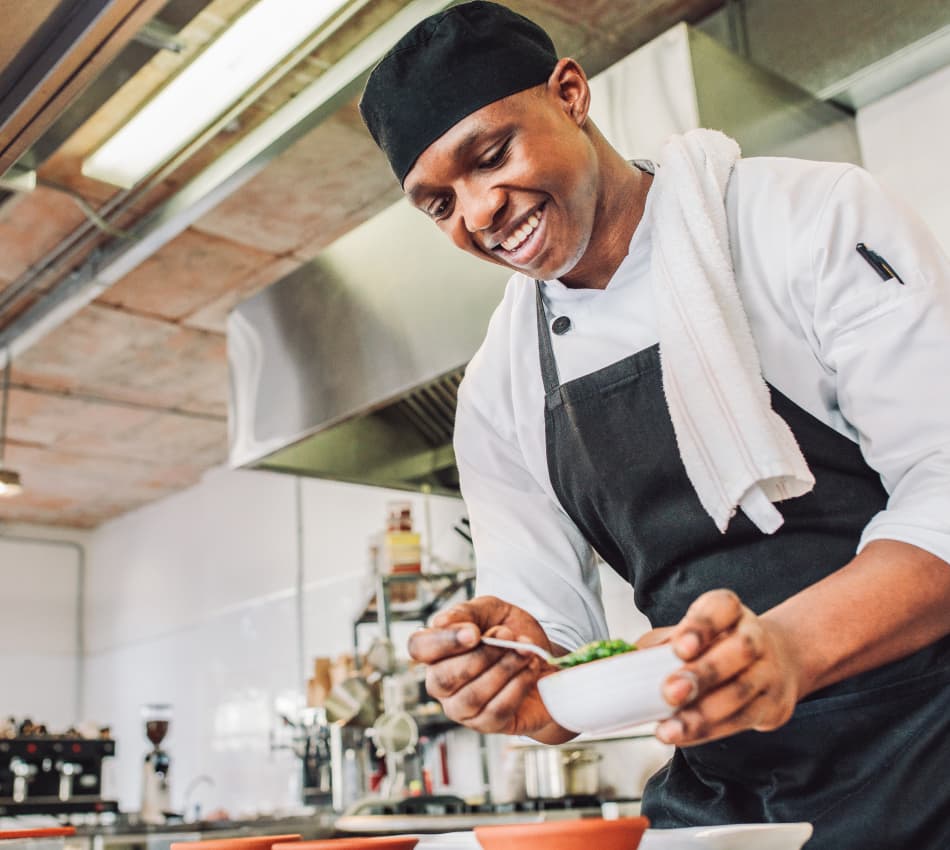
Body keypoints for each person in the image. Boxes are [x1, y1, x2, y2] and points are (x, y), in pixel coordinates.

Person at [358, 2, 950, 847]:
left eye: (491, 157)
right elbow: (552, 639)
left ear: (571, 93)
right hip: (723, 803)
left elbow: (944, 488)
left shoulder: (808, 219)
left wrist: (784, 648)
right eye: (439, 204)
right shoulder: (499, 386)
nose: (479, 212)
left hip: (927, 757)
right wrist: (515, 675)